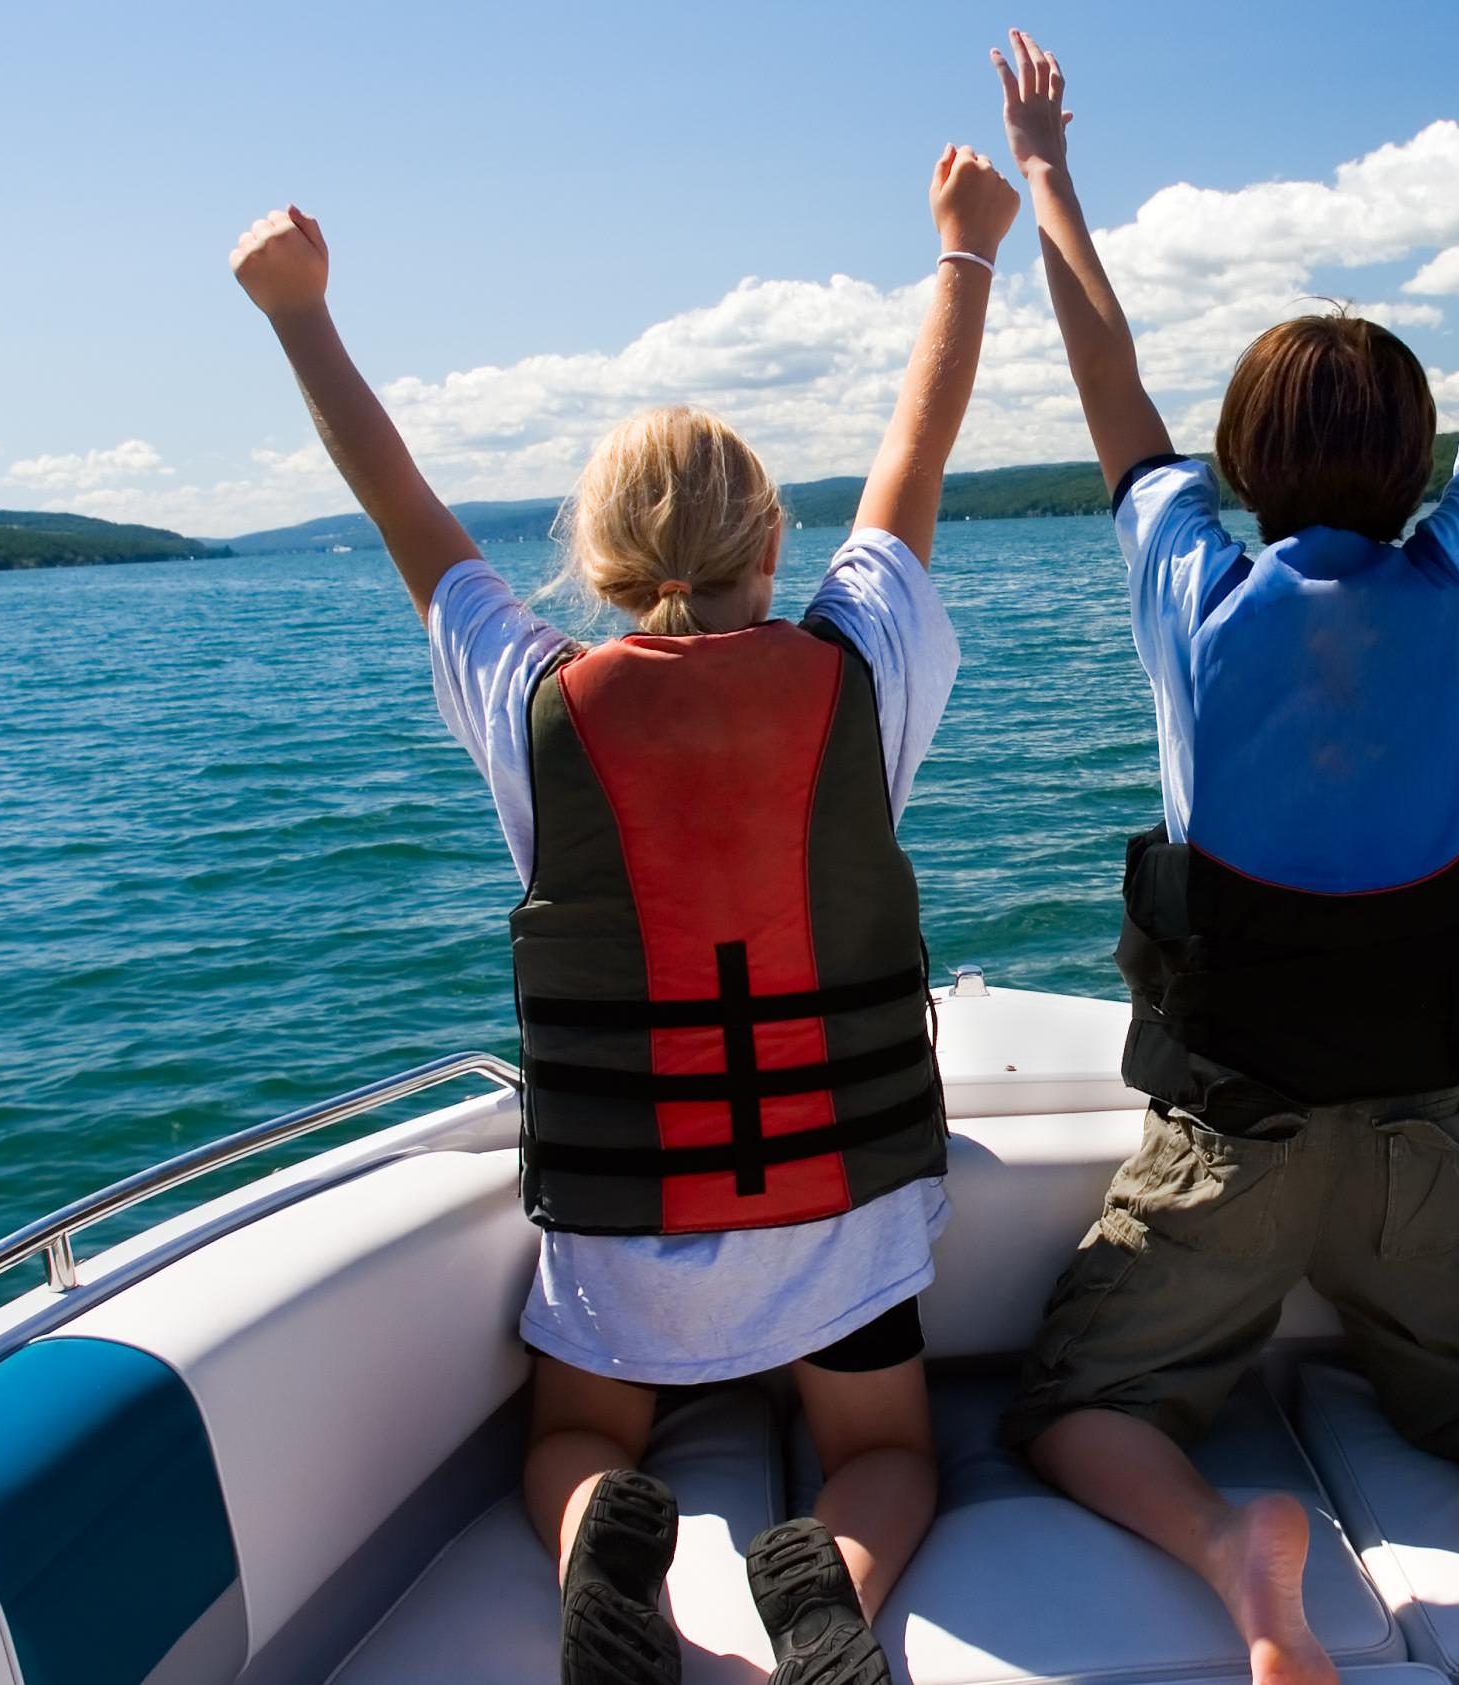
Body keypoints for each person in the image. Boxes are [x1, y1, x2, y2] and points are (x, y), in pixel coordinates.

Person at [987, 13, 1459, 1683]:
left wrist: (1047, 171)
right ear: (1417, 464)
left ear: (1238, 462)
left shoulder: (1188, 581)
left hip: (1228, 1135)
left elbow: (1108, 378)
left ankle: (1229, 1553)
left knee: (1071, 1411)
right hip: (1412, 1130)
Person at [227, 143, 1022, 1685]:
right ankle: (833, 1587)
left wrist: (300, 316)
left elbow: (404, 509)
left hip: (627, 1230)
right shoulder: (860, 675)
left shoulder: (534, 702)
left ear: (591, 569)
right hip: (837, 1209)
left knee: (580, 1432)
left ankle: (606, 1541)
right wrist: (964, 249)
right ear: (777, 542)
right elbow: (914, 467)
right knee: (889, 1453)